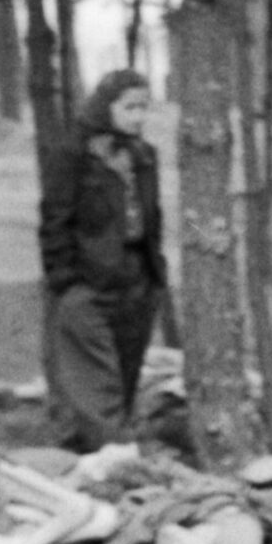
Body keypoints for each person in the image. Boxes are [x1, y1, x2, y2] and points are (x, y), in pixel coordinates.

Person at [40, 71, 169, 451]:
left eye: (144, 107)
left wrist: (155, 270)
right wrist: (67, 281)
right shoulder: (73, 154)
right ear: (105, 106)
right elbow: (55, 220)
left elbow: (154, 215)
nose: (138, 116)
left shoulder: (144, 156)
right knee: (97, 379)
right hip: (88, 280)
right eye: (130, 107)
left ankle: (94, 450)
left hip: (137, 277)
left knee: (127, 370)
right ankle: (112, 457)